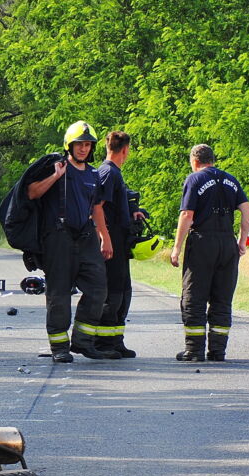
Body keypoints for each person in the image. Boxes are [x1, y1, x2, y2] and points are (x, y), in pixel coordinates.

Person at [25, 120, 119, 362]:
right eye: (79, 144)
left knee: (98, 287)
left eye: (88, 145)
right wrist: (55, 177)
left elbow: (97, 207)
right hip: (58, 237)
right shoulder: (56, 167)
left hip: (86, 236)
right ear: (69, 145)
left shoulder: (93, 174)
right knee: (59, 293)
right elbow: (32, 192)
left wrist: (105, 238)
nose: (84, 149)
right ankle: (59, 347)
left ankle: (83, 341)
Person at [170, 144, 249, 362]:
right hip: (227, 243)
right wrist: (242, 240)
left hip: (203, 242)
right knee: (222, 298)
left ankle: (194, 350)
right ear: (212, 160)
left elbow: (187, 214)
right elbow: (247, 210)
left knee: (194, 297)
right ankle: (218, 351)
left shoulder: (194, 179)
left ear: (194, 161)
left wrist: (176, 248)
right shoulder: (231, 180)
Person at [95, 131, 146, 358]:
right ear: (125, 150)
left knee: (123, 292)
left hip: (120, 241)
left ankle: (116, 341)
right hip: (111, 241)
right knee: (112, 293)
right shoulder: (108, 172)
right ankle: (103, 343)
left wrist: (133, 212)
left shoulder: (114, 173)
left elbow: (114, 204)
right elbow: (97, 207)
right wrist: (105, 238)